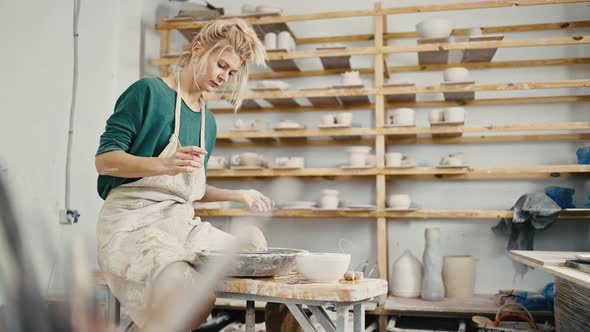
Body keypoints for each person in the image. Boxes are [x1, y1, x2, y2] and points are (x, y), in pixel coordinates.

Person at [95, 18, 300, 331]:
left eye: (231, 73)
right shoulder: (147, 92)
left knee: (260, 251)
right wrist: (163, 164)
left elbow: (192, 187)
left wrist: (238, 194)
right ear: (197, 48)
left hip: (179, 223)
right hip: (132, 224)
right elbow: (105, 161)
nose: (224, 77)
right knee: (192, 295)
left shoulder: (208, 120)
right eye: (221, 65)